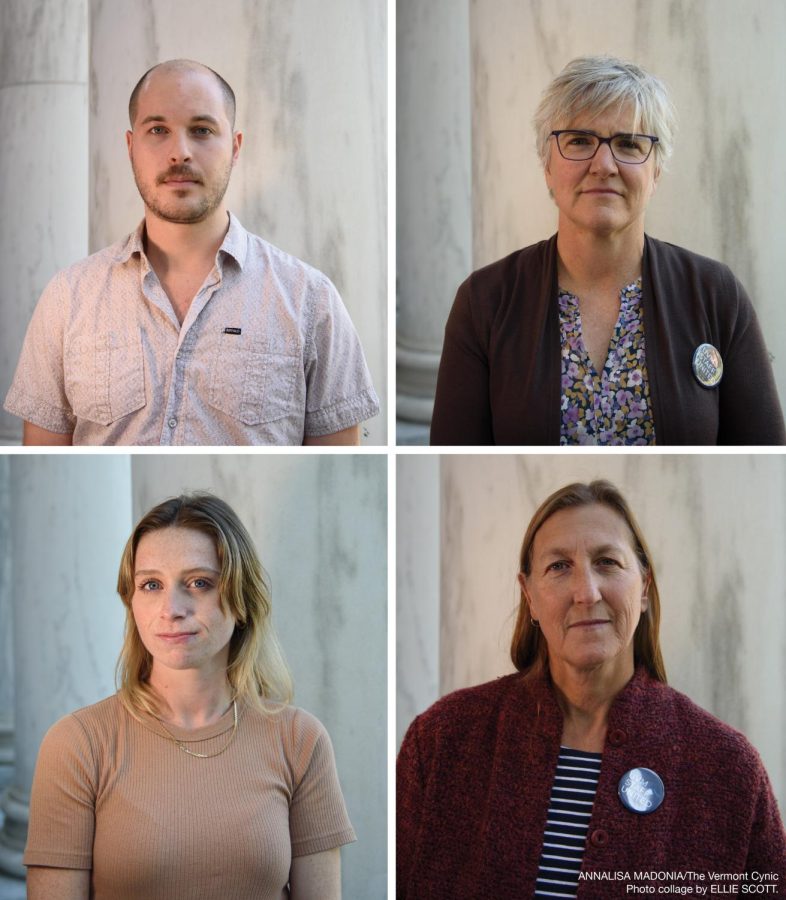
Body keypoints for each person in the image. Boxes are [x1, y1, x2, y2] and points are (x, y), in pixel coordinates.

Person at [397, 480, 786, 898]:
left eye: (607, 563)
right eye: (559, 567)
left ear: (644, 589)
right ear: (529, 596)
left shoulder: (727, 768)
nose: (586, 592)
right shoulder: (443, 740)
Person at [4, 59, 379, 446]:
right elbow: (43, 451)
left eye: (201, 130)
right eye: (158, 130)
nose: (179, 152)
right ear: (131, 147)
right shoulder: (68, 297)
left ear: (234, 147)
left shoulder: (310, 299)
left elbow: (339, 450)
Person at [430, 56, 785, 445]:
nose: (603, 164)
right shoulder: (484, 303)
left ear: (656, 172)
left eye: (629, 143)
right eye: (580, 140)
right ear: (547, 165)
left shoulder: (716, 295)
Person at [24, 493, 356, 900]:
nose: (171, 609)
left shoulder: (300, 740)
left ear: (242, 598)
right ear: (132, 603)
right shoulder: (78, 744)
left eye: (199, 583)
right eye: (151, 585)